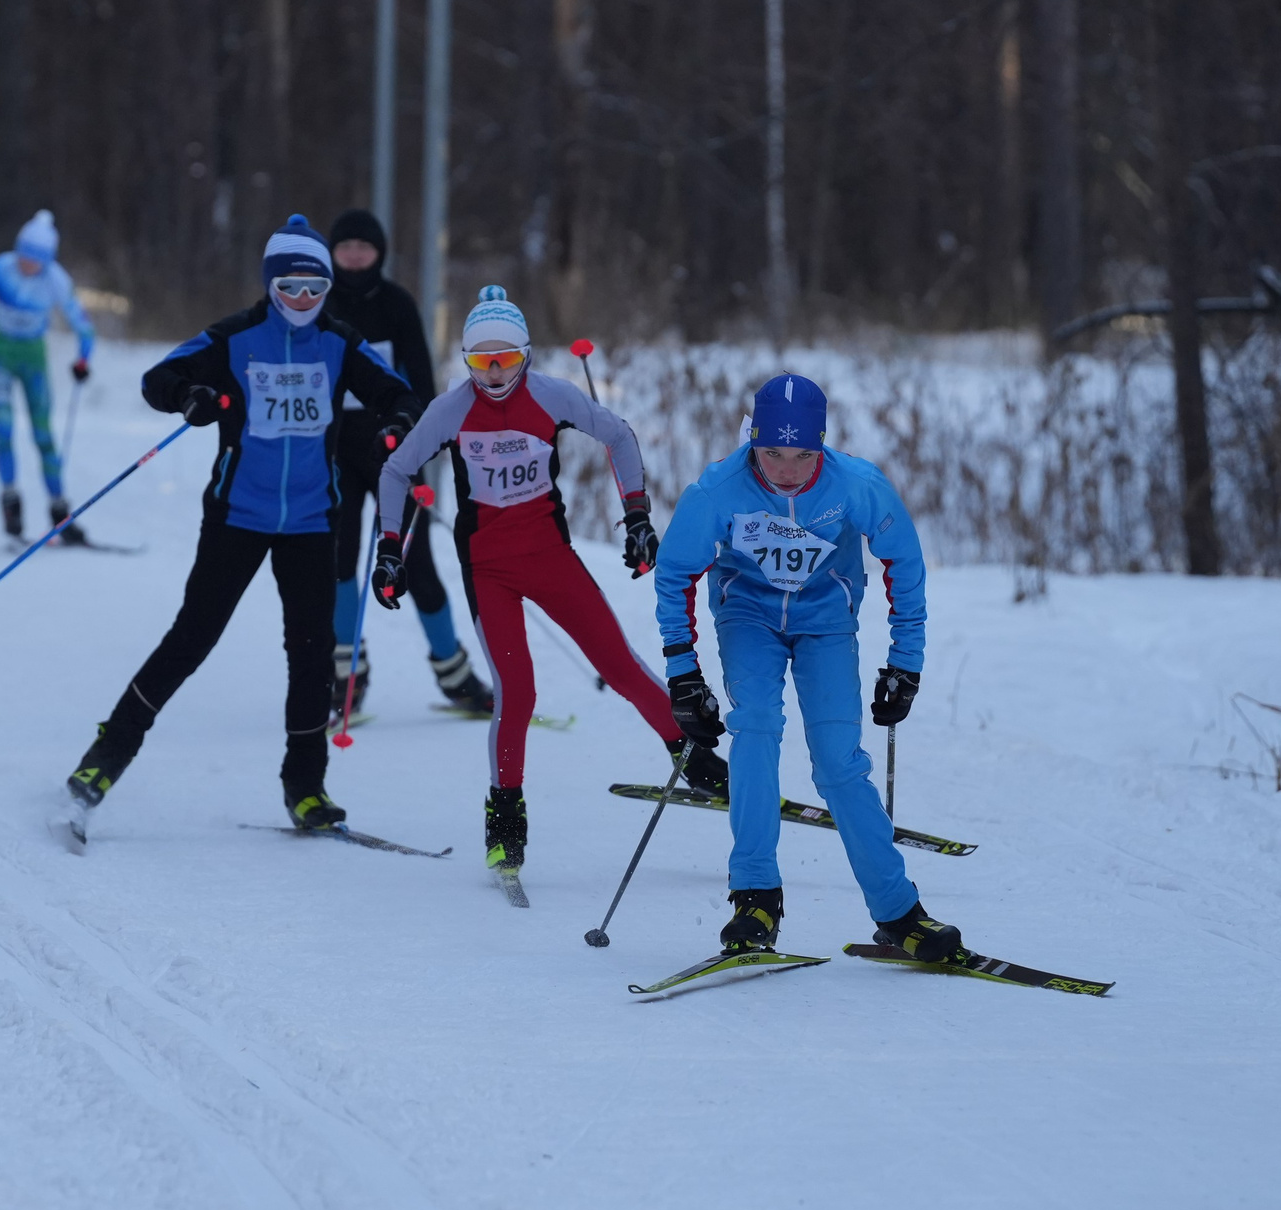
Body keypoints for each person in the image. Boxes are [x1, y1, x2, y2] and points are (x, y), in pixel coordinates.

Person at [66, 216, 418, 835]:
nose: (304, 301)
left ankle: (305, 787)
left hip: (312, 521)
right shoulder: (235, 338)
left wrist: (395, 427)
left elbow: (401, 393)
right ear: (271, 285)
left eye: (316, 289)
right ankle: (105, 758)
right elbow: (159, 379)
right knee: (192, 638)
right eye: (292, 288)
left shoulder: (339, 340)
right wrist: (192, 398)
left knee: (313, 656)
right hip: (238, 517)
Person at [375, 286, 725, 878]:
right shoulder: (451, 410)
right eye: (480, 362)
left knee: (620, 664)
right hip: (488, 568)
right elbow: (396, 468)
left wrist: (637, 515)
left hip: (550, 557)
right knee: (518, 691)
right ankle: (504, 814)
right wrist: (390, 548)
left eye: (505, 361)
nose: (492, 374)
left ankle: (692, 756)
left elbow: (619, 435)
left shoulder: (552, 395)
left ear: (527, 356)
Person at [653, 373, 962, 963]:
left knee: (839, 764)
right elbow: (674, 575)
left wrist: (907, 663)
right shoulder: (719, 489)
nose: (788, 469)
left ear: (821, 444)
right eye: (772, 452)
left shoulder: (856, 484)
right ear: (753, 441)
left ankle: (900, 913)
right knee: (757, 727)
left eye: (803, 454)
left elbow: (906, 561)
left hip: (826, 622)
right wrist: (683, 673)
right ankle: (755, 897)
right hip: (749, 617)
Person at [323, 208, 492, 716]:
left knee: (414, 560)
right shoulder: (317, 303)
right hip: (332, 454)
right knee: (338, 559)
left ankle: (454, 673)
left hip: (393, 449)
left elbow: (419, 379)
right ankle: (345, 675)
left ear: (380, 253)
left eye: (364, 247)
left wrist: (409, 429)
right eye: (346, 246)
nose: (354, 255)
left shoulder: (396, 303)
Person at [0, 209, 98, 545]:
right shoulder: (0, 269)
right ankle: (10, 503)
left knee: (44, 434)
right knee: (3, 423)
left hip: (33, 360)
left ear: (46, 260)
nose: (26, 264)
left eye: (34, 259)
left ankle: (60, 511)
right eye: (23, 255)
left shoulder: (57, 282)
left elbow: (85, 328)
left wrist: (83, 360)